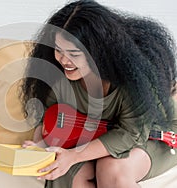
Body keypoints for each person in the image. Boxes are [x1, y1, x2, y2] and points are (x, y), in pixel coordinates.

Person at [21, 0, 177, 187]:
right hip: (98, 138)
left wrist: (73, 155)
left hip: (154, 135)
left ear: (99, 53)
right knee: (74, 172)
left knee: (111, 169)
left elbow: (130, 134)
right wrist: (41, 149)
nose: (63, 60)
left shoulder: (131, 80)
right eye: (58, 50)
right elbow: (49, 118)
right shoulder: (59, 77)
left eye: (74, 53)